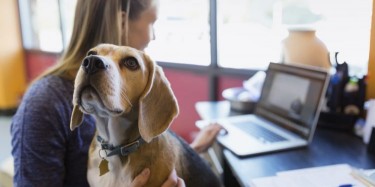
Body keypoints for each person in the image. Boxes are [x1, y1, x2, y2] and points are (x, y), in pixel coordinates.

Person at [10, 0, 222, 186]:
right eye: (152, 23)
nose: (153, 36)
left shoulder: (121, 115)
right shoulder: (42, 105)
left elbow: (146, 157)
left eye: (128, 63)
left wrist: (188, 156)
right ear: (121, 22)